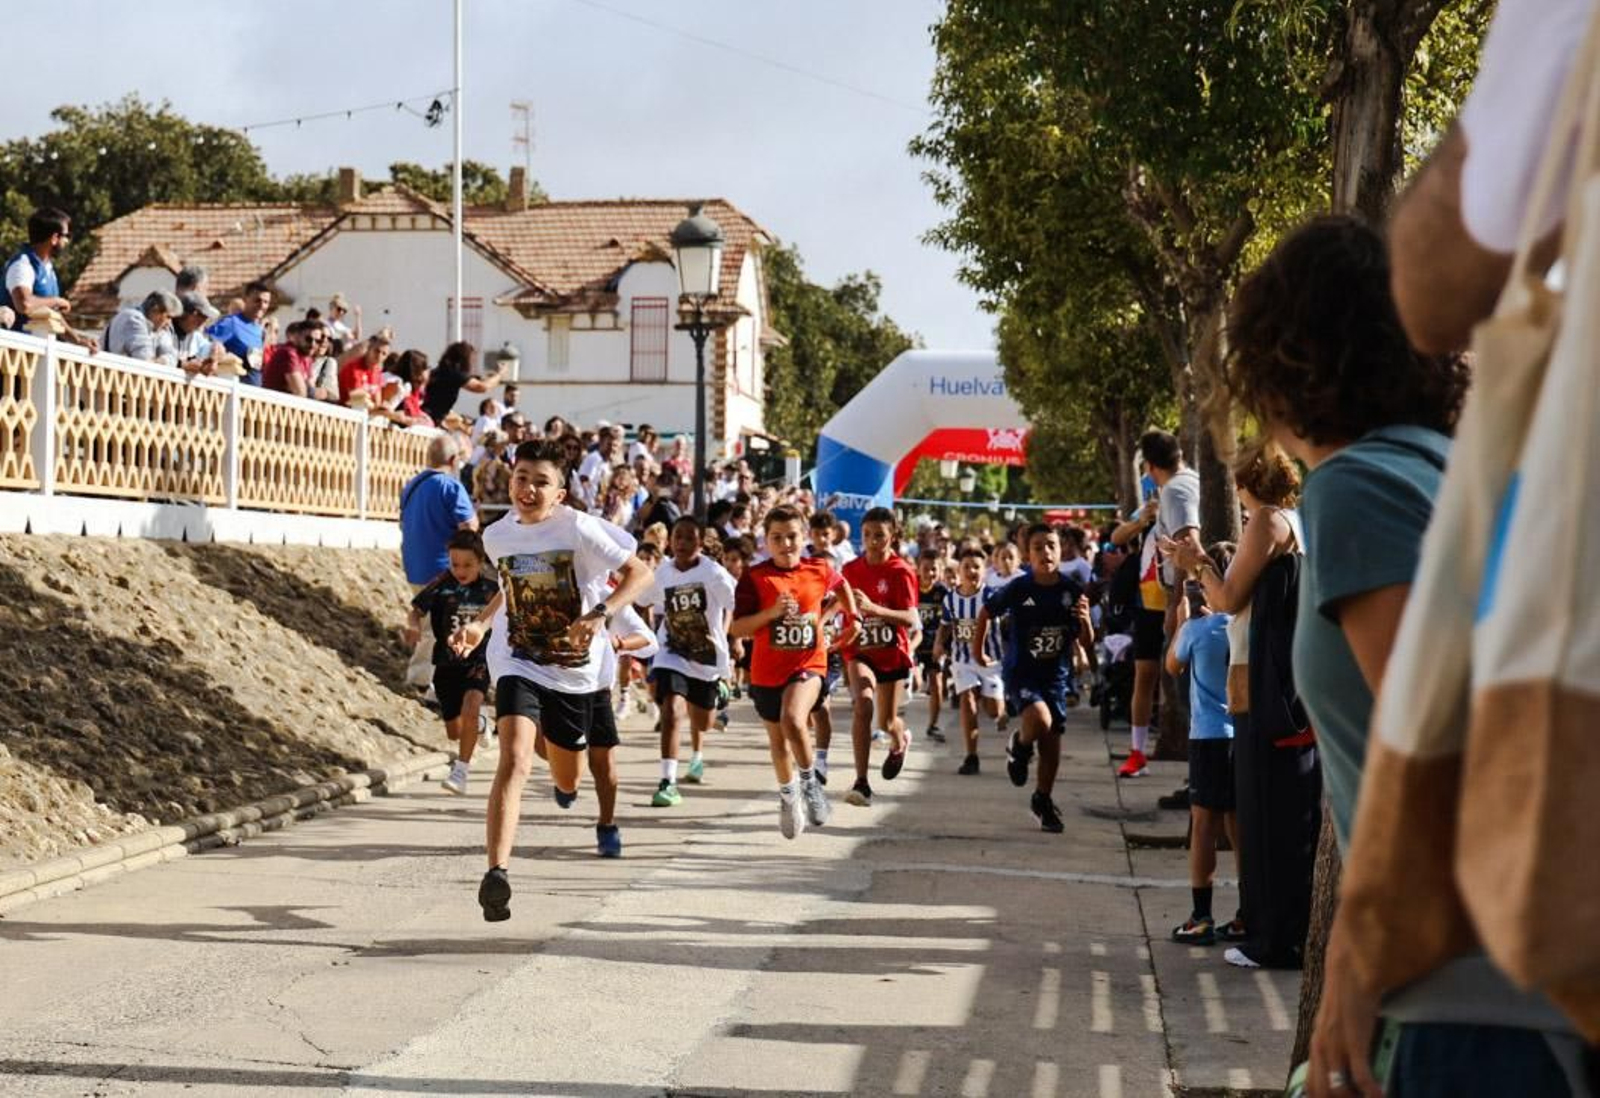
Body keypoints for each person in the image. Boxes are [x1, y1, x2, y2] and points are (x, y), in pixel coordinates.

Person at [1223, 215, 1591, 1098]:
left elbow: (1432, 751)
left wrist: (1351, 961)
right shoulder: (1446, 466)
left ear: (1284, 355)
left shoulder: (1355, 486)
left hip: (1466, 1006)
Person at [446, 439, 653, 918]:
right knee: (513, 760)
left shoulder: (579, 530)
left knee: (568, 773)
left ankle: (563, 780)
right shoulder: (497, 537)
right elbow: (508, 587)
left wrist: (600, 614)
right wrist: (480, 623)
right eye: (522, 478)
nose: (529, 489)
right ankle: (496, 873)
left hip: (575, 672)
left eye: (542, 482)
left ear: (560, 493)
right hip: (520, 660)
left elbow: (639, 574)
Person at [1175, 440, 1318, 971]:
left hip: (1263, 689)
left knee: (1264, 815)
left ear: (1249, 483)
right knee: (1275, 813)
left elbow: (1228, 599)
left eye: (1237, 485)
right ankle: (1272, 926)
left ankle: (1272, 937)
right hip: (1284, 687)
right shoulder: (1296, 522)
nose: (1235, 498)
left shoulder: (1266, 522)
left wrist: (1198, 564)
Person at [729, 506, 859, 838]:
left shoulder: (819, 568)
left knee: (793, 718)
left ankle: (810, 783)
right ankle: (789, 796)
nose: (786, 544)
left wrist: (853, 616)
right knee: (778, 740)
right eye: (777, 538)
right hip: (766, 671)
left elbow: (842, 585)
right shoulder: (755, 577)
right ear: (766, 541)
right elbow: (738, 627)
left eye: (792, 536)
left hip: (808, 664)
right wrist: (771, 613)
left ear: (804, 537)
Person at [974, 523, 1085, 834]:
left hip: (1056, 675)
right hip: (1021, 670)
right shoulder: (1019, 588)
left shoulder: (1071, 591)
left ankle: (1043, 799)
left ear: (1060, 550)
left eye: (1051, 545)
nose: (1045, 552)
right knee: (1039, 718)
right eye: (1038, 547)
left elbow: (1085, 638)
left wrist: (1086, 629)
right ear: (1027, 554)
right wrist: (978, 651)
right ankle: (1020, 746)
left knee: (1051, 742)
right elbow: (986, 613)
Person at [1112, 431, 1201, 779]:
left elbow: (1187, 544)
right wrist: (1141, 519)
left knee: (1179, 680)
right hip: (1151, 596)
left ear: (1148, 466)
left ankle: (1199, 773)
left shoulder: (1177, 491)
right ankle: (1138, 752)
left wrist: (1175, 604)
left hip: (1170, 600)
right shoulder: (1167, 492)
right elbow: (1117, 538)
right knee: (1147, 673)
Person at [1166, 543, 1240, 947]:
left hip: (1208, 735)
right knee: (1237, 823)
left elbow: (1172, 664)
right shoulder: (1244, 624)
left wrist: (1182, 619)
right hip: (1239, 736)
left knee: (1204, 828)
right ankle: (1248, 911)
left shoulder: (1199, 629)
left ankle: (1201, 915)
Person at [640, 517, 736, 806]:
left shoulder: (714, 574)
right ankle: (667, 781)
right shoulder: (663, 572)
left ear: (700, 543)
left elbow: (733, 607)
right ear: (670, 541)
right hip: (672, 652)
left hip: (706, 656)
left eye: (689, 538)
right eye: (677, 537)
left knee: (703, 722)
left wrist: (733, 641)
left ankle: (717, 694)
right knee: (671, 709)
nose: (682, 544)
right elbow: (643, 600)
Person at [839, 507, 921, 808]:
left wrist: (876, 610)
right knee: (863, 705)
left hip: (891, 653)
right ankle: (861, 781)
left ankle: (900, 740)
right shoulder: (850, 570)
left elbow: (911, 618)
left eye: (880, 536)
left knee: (886, 722)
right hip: (860, 650)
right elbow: (838, 604)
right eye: (868, 535)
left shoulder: (901, 572)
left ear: (893, 537)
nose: (873, 542)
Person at [407, 530, 498, 796]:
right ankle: (480, 725)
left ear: (481, 562)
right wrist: (412, 626)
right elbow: (416, 610)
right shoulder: (442, 584)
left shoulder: (492, 590)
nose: (460, 570)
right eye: (454, 563)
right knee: (454, 731)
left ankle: (461, 771)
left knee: (471, 704)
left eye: (467, 564)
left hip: (479, 660)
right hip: (447, 663)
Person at [400, 435, 479, 690]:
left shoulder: (412, 485)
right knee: (440, 629)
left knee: (430, 625)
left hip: (415, 565)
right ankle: (423, 680)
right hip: (443, 567)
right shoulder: (451, 486)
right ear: (454, 459)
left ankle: (426, 678)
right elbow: (468, 527)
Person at [938, 546, 1006, 775]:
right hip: (962, 660)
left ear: (984, 570)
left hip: (990, 661)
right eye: (966, 566)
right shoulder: (950, 599)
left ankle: (1003, 711)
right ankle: (971, 756)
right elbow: (945, 626)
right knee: (967, 702)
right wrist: (939, 644)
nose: (971, 571)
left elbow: (1007, 623)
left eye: (976, 566)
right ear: (959, 570)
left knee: (993, 710)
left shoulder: (992, 597)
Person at [6, 208, 96, 352]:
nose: (67, 241)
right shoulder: (23, 264)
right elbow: (24, 304)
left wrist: (77, 340)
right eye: (67, 236)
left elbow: (52, 315)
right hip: (11, 354)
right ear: (54, 238)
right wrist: (56, 301)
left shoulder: (47, 269)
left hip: (31, 356)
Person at [207, 281, 274, 385]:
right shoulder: (231, 322)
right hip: (231, 390)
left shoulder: (261, 332)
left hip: (253, 394)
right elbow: (206, 344)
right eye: (257, 300)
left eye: (266, 302)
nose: (262, 305)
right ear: (246, 299)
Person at [914, 550, 950, 744]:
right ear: (918, 569)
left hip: (934, 645)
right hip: (913, 643)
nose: (929, 573)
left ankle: (933, 725)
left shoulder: (943, 593)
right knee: (913, 684)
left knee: (937, 684)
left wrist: (943, 644)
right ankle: (886, 720)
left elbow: (948, 623)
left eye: (934, 569)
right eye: (925, 569)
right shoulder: (911, 589)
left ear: (941, 571)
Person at [424, 341, 503, 428]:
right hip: (429, 419)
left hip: (429, 416)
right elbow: (482, 387)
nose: (472, 363)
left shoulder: (440, 371)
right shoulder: (454, 373)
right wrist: (500, 374)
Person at [106, 290, 181, 365]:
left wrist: (162, 361)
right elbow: (144, 359)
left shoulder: (159, 328)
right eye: (168, 317)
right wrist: (160, 361)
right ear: (155, 310)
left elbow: (173, 357)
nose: (169, 323)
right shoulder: (133, 318)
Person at [262, 321, 321, 397]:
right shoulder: (288, 353)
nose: (313, 344)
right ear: (298, 336)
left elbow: (310, 388)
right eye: (308, 339)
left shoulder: (306, 357)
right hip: (270, 404)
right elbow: (301, 393)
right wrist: (319, 393)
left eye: (318, 341)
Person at [338, 329, 393, 407]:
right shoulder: (354, 368)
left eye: (384, 354)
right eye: (377, 351)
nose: (379, 356)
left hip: (363, 412)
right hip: (345, 411)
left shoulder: (377, 372)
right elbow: (356, 399)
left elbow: (377, 402)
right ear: (369, 349)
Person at [171, 292, 222, 376]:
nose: (203, 321)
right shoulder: (167, 328)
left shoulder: (193, 335)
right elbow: (161, 358)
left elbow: (210, 348)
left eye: (206, 317)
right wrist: (183, 365)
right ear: (186, 313)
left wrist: (204, 365)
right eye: (201, 315)